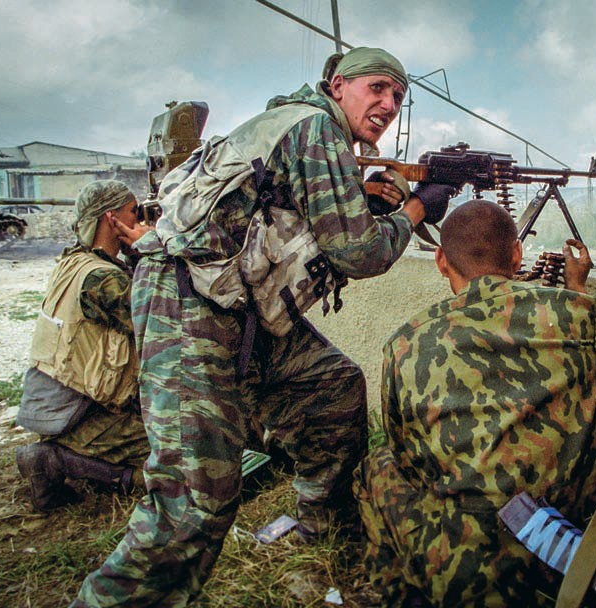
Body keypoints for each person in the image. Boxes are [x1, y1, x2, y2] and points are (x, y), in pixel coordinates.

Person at [71, 47, 456, 607]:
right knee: (196, 499)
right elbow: (359, 254)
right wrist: (417, 209)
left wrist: (373, 201)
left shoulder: (306, 129)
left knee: (333, 388)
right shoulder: (315, 126)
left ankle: (324, 525)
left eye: (398, 95)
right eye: (377, 87)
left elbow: (301, 220)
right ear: (339, 85)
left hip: (238, 308)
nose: (389, 103)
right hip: (188, 303)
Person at [353, 200, 596, 607]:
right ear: (517, 254)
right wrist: (576, 285)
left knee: (377, 465)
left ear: (440, 261)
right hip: (561, 559)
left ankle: (395, 595)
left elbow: (406, 457)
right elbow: (579, 312)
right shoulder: (574, 313)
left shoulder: (406, 344)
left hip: (460, 571)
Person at [16, 180, 151, 511]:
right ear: (111, 219)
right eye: (134, 212)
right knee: (187, 461)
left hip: (62, 408)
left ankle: (69, 452)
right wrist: (154, 249)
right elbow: (162, 319)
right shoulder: (103, 280)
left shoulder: (75, 262)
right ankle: (55, 460)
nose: (140, 219)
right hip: (84, 417)